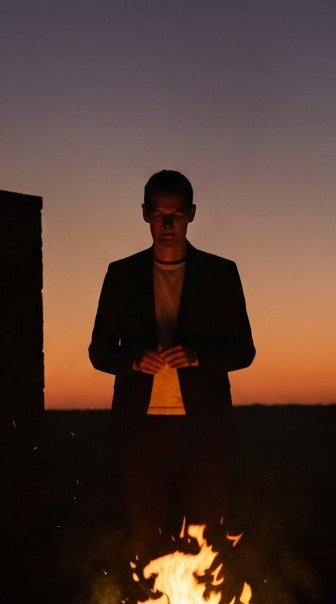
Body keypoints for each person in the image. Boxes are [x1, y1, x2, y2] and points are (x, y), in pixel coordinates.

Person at [88, 170, 255, 556]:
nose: (167, 224)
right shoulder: (121, 274)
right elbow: (98, 351)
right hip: (139, 429)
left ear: (192, 213)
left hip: (204, 428)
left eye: (176, 214)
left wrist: (198, 357)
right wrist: (132, 361)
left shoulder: (220, 273)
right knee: (144, 534)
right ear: (145, 213)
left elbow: (244, 350)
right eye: (159, 214)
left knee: (207, 535)